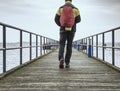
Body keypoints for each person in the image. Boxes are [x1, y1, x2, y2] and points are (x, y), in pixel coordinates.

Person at [54, 0, 81, 68]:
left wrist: (61, 25)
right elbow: (79, 20)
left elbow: (56, 19)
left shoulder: (60, 9)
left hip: (63, 29)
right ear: (71, 1)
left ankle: (61, 58)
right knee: (69, 45)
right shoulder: (75, 9)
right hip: (72, 29)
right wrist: (72, 23)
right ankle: (67, 63)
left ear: (65, 1)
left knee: (62, 44)